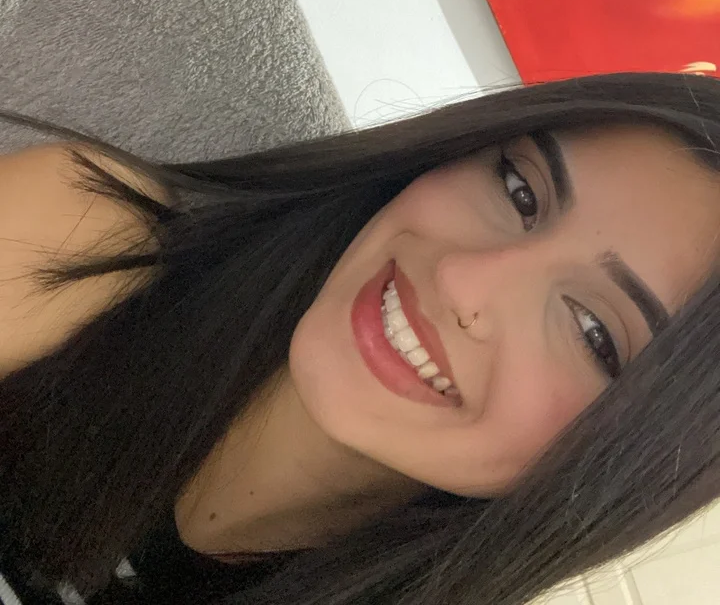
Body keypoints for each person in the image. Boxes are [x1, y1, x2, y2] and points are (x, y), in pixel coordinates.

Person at [1, 71, 720, 605]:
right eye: (519, 190)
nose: (464, 281)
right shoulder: (85, 245)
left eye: (594, 332)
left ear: (621, 469)